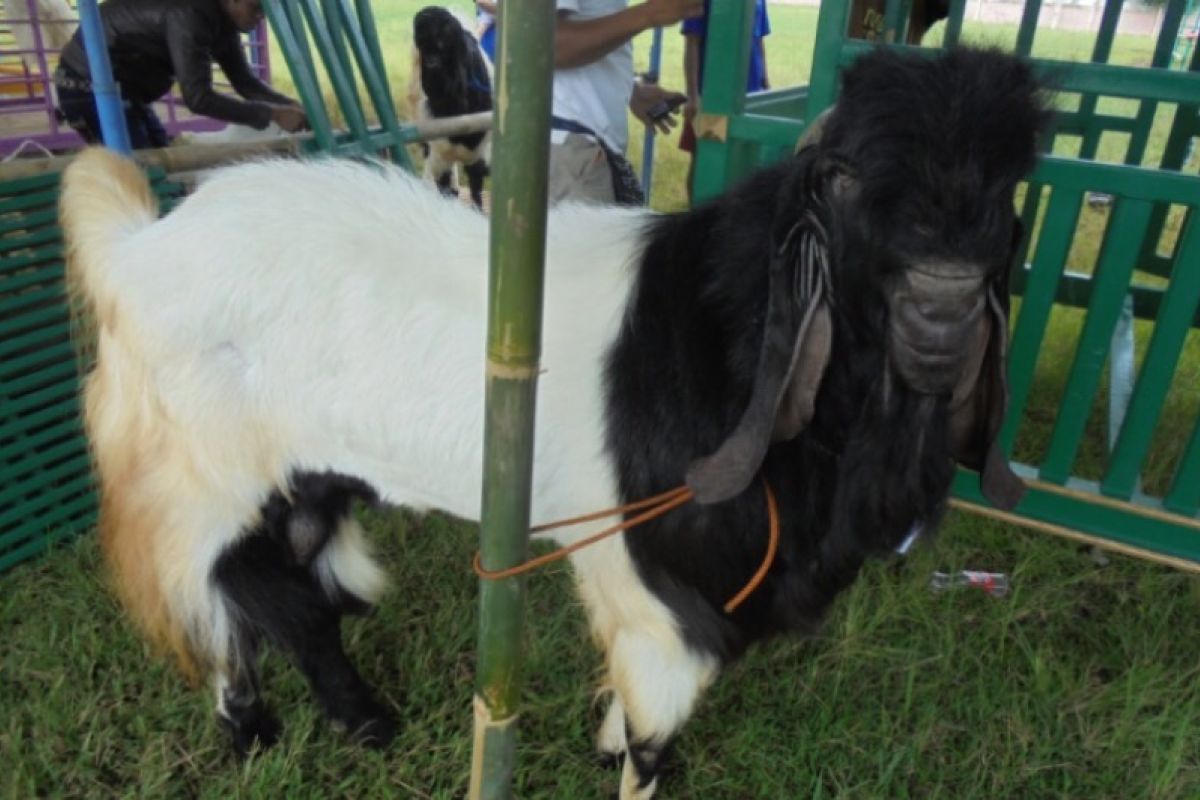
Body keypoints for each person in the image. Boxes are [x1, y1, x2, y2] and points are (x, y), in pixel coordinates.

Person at [55, 0, 306, 150]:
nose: (260, 18)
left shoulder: (222, 22)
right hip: (86, 87)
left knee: (161, 161)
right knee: (141, 172)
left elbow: (246, 83)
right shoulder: (191, 15)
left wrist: (292, 106)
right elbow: (198, 99)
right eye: (256, 8)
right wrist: (271, 114)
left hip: (123, 89)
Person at [549, 0, 703, 206]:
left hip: (581, 146)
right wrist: (649, 13)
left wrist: (632, 91)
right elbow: (549, 44)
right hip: (568, 149)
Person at [679, 0, 770, 204]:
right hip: (713, 98)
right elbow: (692, 43)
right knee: (704, 156)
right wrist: (693, 95)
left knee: (745, 160)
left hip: (751, 97)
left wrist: (766, 84)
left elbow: (760, 42)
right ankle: (696, 213)